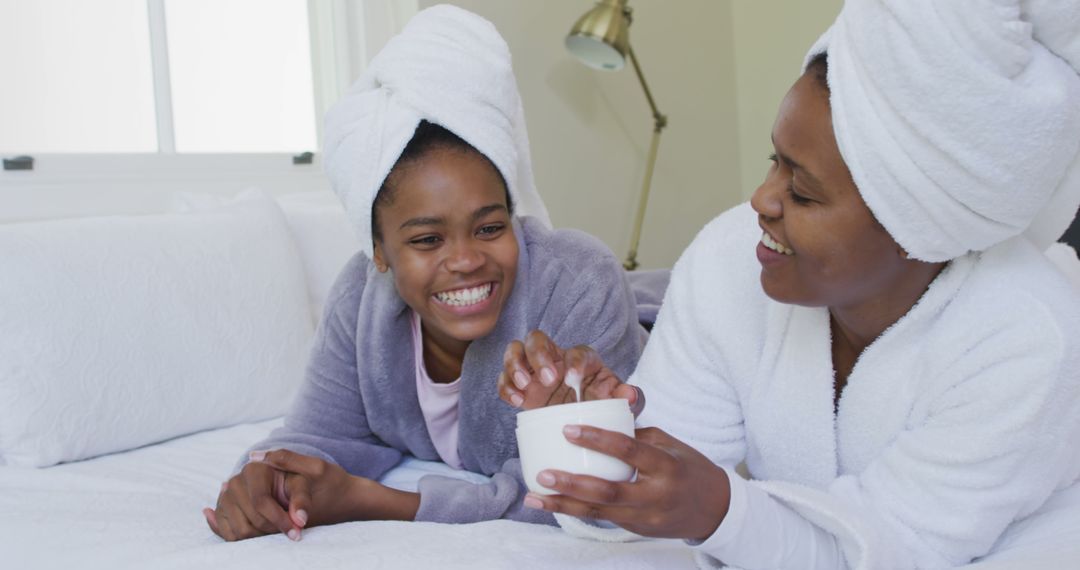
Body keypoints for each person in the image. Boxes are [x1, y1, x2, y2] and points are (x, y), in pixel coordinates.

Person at [499, 1, 1080, 568]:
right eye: (772, 161)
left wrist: (724, 512)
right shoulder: (731, 261)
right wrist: (591, 432)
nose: (761, 200)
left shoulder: (1028, 339)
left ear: (917, 226)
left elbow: (889, 548)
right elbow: (663, 487)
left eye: (802, 191)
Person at [202, 6, 647, 542]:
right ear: (379, 252)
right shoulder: (361, 299)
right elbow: (320, 433)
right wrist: (269, 478)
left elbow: (588, 488)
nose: (464, 260)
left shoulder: (577, 286)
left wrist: (375, 501)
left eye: (488, 228)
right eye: (427, 239)